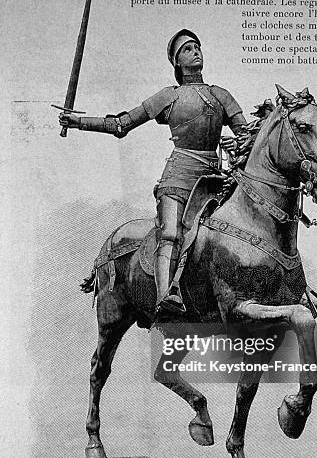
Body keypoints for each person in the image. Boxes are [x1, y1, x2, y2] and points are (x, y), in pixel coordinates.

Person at [59, 29, 247, 314]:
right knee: (171, 233)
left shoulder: (220, 95)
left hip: (215, 180)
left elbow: (245, 136)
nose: (195, 51)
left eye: (197, 47)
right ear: (177, 63)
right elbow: (121, 124)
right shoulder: (168, 96)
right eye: (187, 49)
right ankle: (166, 299)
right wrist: (78, 122)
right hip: (179, 177)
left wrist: (244, 145)